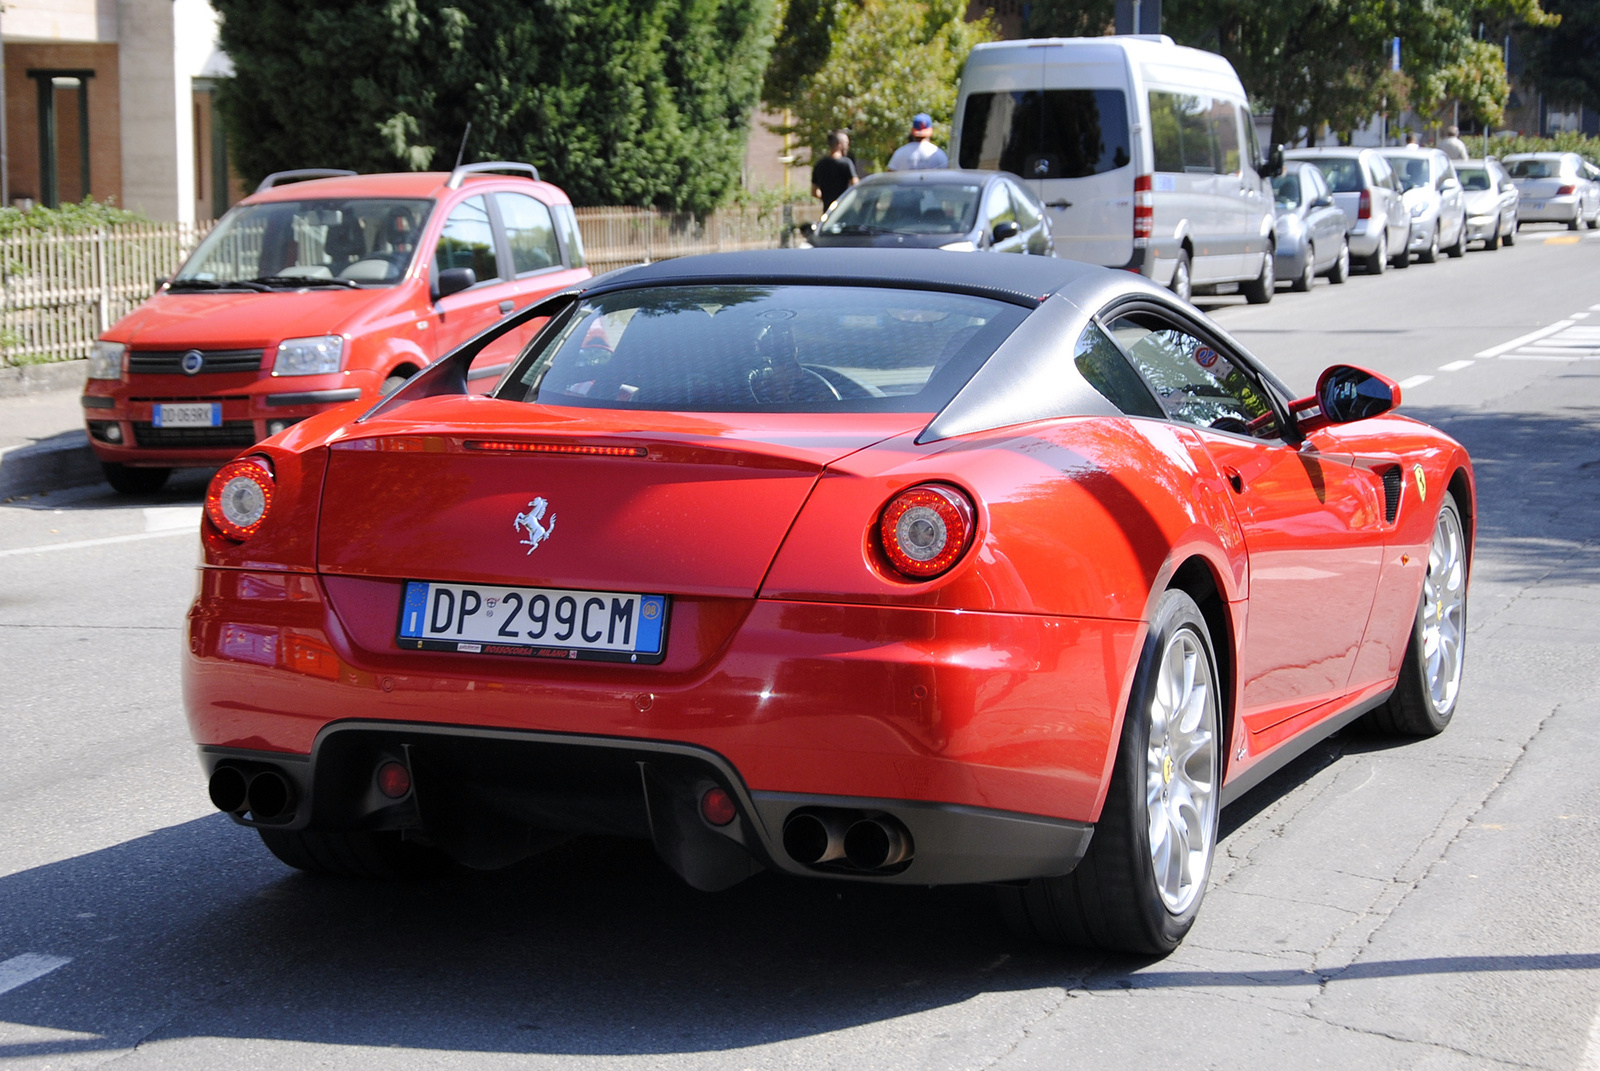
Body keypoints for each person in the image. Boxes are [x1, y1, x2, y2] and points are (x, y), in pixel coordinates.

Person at [811, 130, 858, 211]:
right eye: (846, 143)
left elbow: (814, 192)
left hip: (828, 212)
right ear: (839, 145)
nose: (848, 146)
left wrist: (827, 197)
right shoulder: (846, 163)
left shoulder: (819, 164)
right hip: (844, 210)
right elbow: (856, 185)